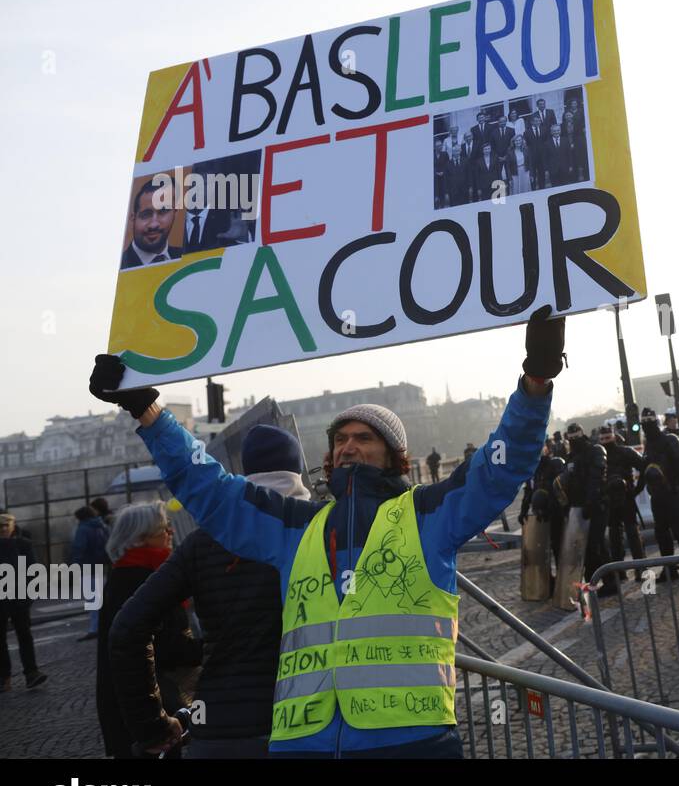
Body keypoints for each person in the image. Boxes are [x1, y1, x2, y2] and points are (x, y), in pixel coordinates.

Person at [88, 306, 565, 759]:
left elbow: (498, 468)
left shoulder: (426, 514)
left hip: (409, 741)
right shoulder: (298, 525)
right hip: (302, 743)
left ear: (396, 456)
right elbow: (210, 489)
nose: (348, 447)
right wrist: (149, 413)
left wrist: (535, 382)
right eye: (340, 439)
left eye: (364, 438)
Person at [109, 426, 311, 759]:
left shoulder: (202, 543)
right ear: (299, 471)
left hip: (218, 725)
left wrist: (151, 726)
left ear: (245, 472)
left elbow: (127, 630)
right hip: (305, 721)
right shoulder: (321, 531)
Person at [96, 501, 202, 758]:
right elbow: (165, 646)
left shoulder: (127, 573)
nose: (171, 533)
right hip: (149, 707)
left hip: (139, 705)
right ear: (141, 537)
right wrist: (212, 646)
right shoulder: (143, 578)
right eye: (164, 529)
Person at [555, 423, 613, 592]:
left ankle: (610, 582)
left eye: (576, 438)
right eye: (571, 439)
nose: (574, 441)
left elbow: (597, 478)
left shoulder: (594, 451)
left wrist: (590, 502)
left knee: (598, 545)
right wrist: (566, 505)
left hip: (595, 505)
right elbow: (569, 482)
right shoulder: (571, 457)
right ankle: (593, 581)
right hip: (578, 506)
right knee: (586, 548)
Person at [638, 408, 679, 572]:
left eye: (650, 421)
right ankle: (669, 567)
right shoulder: (648, 444)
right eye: (645, 422)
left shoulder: (670, 440)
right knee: (661, 533)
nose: (647, 425)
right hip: (657, 495)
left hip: (672, 492)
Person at [0, 513, 48, 692]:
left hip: (19, 596)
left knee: (24, 635)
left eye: (6, 525)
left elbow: (33, 570)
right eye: (0, 526)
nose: (4, 529)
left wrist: (28, 595)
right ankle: (4, 677)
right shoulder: (23, 543)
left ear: (12, 526)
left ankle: (31, 672)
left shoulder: (23, 544)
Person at [597, 424, 646, 571]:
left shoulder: (625, 452)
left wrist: (637, 489)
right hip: (609, 500)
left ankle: (640, 568)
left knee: (633, 534)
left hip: (626, 499)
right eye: (603, 438)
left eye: (608, 437)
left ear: (613, 436)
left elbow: (644, 466)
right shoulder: (598, 456)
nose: (606, 440)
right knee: (614, 537)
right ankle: (618, 571)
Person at [520, 440, 568, 584]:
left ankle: (563, 579)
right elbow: (529, 491)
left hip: (555, 513)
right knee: (541, 549)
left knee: (558, 546)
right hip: (539, 514)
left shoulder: (554, 465)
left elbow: (560, 490)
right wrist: (523, 511)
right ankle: (547, 581)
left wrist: (552, 507)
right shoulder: (531, 470)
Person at [70, 505, 111, 640]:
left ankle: (95, 628)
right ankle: (106, 626)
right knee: (102, 598)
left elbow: (79, 548)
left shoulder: (83, 529)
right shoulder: (102, 526)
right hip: (102, 566)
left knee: (92, 600)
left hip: (87, 567)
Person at [121, 179, 182, 268]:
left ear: (174, 213)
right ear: (133, 219)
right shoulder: (119, 267)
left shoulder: (187, 258)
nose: (154, 225)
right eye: (146, 215)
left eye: (163, 212)